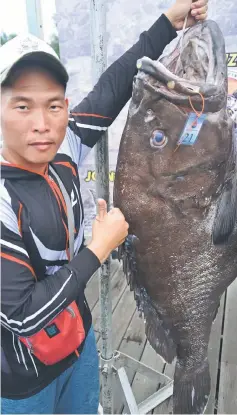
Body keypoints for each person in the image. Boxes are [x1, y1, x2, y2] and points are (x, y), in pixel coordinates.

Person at [0, 0, 208, 413]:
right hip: (24, 381)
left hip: (80, 346)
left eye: (54, 104)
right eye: (22, 105)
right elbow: (21, 317)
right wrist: (98, 249)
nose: (42, 123)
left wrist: (167, 23)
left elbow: (112, 88)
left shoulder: (64, 147)